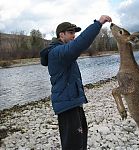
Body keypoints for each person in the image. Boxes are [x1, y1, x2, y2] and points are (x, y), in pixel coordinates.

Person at [40, 15, 112, 150]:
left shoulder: (62, 52)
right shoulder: (57, 52)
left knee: (80, 143)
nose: (74, 35)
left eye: (75, 33)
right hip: (67, 106)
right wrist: (98, 24)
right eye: (71, 32)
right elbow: (79, 44)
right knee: (73, 145)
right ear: (61, 35)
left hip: (73, 102)